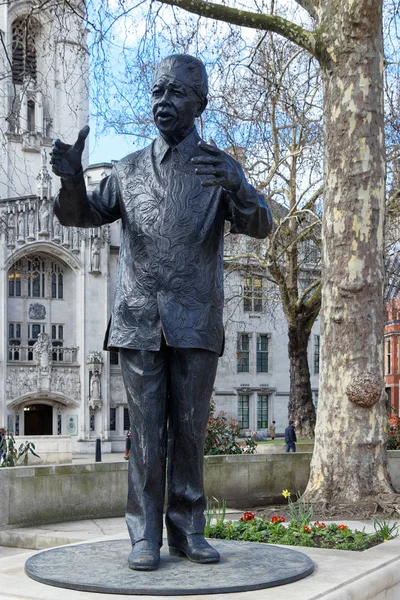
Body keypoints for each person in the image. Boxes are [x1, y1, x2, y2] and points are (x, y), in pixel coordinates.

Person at [50, 54, 272, 571]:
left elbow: (260, 223)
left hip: (196, 321)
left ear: (200, 102)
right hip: (138, 319)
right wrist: (70, 180)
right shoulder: (126, 170)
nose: (163, 103)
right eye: (156, 93)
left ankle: (189, 529)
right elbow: (82, 215)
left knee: (191, 431)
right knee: (145, 435)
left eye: (175, 93)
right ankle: (143, 536)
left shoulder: (219, 168)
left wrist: (240, 186)